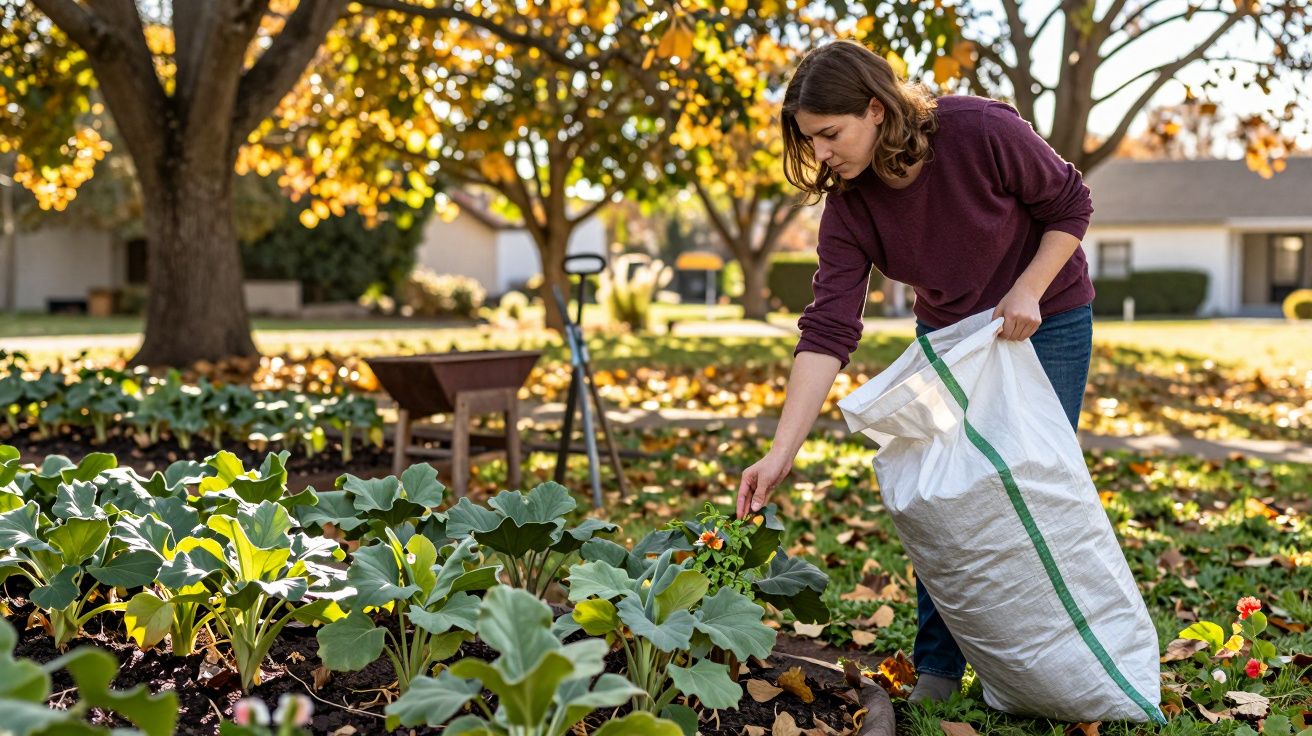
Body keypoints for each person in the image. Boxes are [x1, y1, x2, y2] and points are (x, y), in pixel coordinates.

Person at [734, 39, 1096, 703]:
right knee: (944, 497)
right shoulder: (851, 205)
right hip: (953, 338)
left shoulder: (980, 131)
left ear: (876, 110)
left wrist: (1029, 290)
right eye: (808, 139)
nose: (820, 154)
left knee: (1027, 490)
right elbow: (828, 328)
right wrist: (780, 453)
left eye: (829, 134)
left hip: (1047, 320)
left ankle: (1050, 667)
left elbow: (1071, 204)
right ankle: (937, 669)